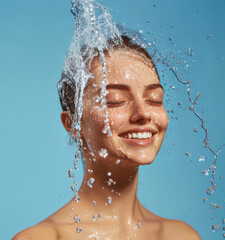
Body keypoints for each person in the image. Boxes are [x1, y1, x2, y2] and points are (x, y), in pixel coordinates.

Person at [12, 36, 201, 240]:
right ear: (73, 123)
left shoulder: (181, 236)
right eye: (114, 101)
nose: (143, 113)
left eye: (153, 100)